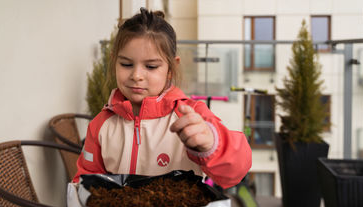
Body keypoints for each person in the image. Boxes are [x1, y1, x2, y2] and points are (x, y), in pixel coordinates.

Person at [73, 7, 252, 189]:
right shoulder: (100, 125)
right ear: (114, 62)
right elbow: (84, 184)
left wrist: (211, 145)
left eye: (151, 66)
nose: (136, 75)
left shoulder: (190, 116)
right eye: (126, 64)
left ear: (170, 68)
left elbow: (236, 171)